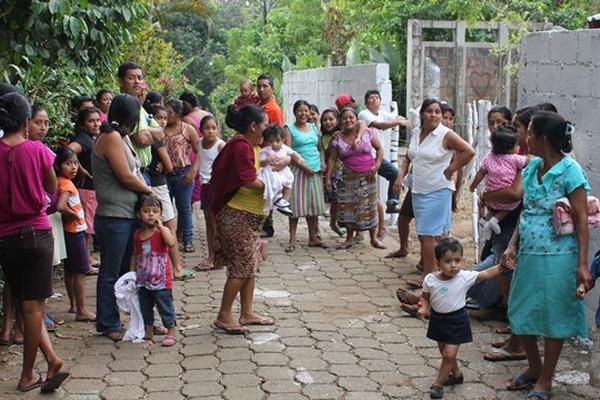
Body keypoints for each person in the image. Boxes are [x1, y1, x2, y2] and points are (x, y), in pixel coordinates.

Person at [503, 111, 593, 399]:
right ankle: (533, 368)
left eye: (529, 133)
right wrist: (512, 244)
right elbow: (525, 212)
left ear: (542, 138)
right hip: (529, 253)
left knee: (555, 317)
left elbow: (580, 218)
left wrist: (582, 264)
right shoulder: (530, 168)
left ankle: (546, 380)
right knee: (520, 310)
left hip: (559, 257)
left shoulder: (571, 171)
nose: (524, 137)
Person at [0, 92, 68, 393]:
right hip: (38, 233)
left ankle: (52, 360)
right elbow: (52, 189)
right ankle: (28, 374)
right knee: (33, 307)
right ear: (27, 121)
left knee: (27, 305)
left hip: (5, 237)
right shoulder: (38, 150)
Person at [417, 238, 512, 399]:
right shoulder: (430, 279)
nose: (453, 265)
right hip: (438, 320)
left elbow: (486, 273)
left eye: (457, 260)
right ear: (438, 262)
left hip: (457, 321)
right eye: (448, 261)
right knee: (444, 352)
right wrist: (424, 307)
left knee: (449, 355)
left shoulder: (464, 277)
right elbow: (425, 296)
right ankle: (457, 374)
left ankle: (438, 385)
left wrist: (501, 267)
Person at [207, 104, 273, 334]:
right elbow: (247, 180)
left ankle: (246, 312)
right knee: (241, 266)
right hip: (235, 216)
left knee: (250, 264)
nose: (267, 128)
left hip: (248, 217)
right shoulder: (241, 147)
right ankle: (224, 314)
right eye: (264, 124)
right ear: (253, 126)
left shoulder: (249, 146)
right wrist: (272, 186)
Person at [394, 98, 475, 288]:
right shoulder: (416, 132)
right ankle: (439, 270)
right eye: (430, 111)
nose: (434, 115)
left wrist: (452, 168)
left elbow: (469, 152)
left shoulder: (445, 134)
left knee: (428, 233)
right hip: (419, 189)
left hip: (438, 190)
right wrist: (400, 176)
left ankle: (428, 274)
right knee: (425, 233)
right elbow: (409, 156)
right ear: (422, 114)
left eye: (437, 112)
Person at [92, 94, 154, 342]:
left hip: (127, 214)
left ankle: (136, 320)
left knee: (125, 270)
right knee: (111, 271)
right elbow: (125, 176)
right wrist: (150, 192)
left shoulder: (122, 137)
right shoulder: (111, 138)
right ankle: (107, 322)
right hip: (114, 216)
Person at [327, 107, 385, 249]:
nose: (348, 120)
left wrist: (377, 165)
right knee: (348, 207)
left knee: (369, 206)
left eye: (351, 117)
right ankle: (349, 239)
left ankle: (374, 238)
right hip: (347, 177)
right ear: (340, 121)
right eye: (345, 118)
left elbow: (379, 149)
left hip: (368, 175)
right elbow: (332, 159)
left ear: (356, 119)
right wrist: (328, 177)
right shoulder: (337, 138)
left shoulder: (367, 133)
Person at [145, 105, 188, 281]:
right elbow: (169, 166)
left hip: (148, 182)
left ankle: (159, 268)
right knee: (170, 227)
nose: (162, 121)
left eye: (164, 118)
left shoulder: (145, 136)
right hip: (158, 184)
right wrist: (167, 163)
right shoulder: (157, 139)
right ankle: (177, 268)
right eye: (159, 118)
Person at [54, 146, 96, 322]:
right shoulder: (66, 185)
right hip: (75, 231)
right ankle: (81, 310)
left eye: (75, 163)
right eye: (68, 163)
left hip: (68, 232)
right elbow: (61, 206)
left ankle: (73, 305)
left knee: (70, 270)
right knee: (80, 271)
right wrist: (75, 215)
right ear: (58, 166)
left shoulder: (60, 181)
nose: (73, 167)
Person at [130, 195, 177, 347]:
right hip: (143, 279)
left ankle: (171, 330)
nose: (151, 214)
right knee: (145, 306)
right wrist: (132, 274)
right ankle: (148, 330)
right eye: (146, 211)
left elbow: (171, 243)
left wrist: (162, 227)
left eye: (155, 211)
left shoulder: (161, 232)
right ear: (139, 214)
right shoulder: (137, 235)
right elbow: (135, 254)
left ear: (160, 214)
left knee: (165, 305)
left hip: (162, 279)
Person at [358, 89, 412, 214]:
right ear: (366, 102)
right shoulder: (364, 114)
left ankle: (392, 202)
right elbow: (380, 125)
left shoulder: (382, 113)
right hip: (366, 156)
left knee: (394, 174)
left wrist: (401, 119)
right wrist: (399, 122)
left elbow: (399, 117)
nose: (375, 99)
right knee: (366, 187)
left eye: (377, 97)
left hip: (377, 156)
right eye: (371, 97)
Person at [284, 100, 328, 251]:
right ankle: (292, 240)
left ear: (310, 113)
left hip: (315, 171)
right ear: (295, 112)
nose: (303, 113)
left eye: (306, 111)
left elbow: (320, 147)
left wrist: (322, 163)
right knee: (295, 207)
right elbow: (288, 152)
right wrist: (304, 166)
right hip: (298, 171)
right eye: (300, 111)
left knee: (312, 206)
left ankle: (313, 238)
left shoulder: (313, 128)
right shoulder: (289, 129)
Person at [469, 126, 528, 239]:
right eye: (517, 145)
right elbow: (530, 161)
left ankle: (486, 218)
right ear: (510, 148)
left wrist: (473, 185)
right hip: (506, 198)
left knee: (488, 204)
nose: (518, 147)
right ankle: (494, 220)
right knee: (507, 208)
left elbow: (480, 173)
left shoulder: (488, 158)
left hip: (491, 196)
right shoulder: (515, 158)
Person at [163, 98, 200, 253]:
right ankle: (166, 240)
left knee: (184, 208)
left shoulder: (188, 129)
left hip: (183, 173)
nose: (166, 115)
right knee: (165, 209)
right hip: (164, 175)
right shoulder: (160, 129)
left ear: (178, 114)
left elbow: (199, 151)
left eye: (169, 112)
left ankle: (188, 240)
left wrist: (193, 172)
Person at [117, 62, 162, 185]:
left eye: (139, 78)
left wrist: (145, 130)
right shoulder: (123, 106)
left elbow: (161, 133)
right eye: (131, 78)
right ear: (121, 81)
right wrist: (149, 132)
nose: (137, 81)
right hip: (132, 172)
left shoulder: (139, 107)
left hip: (144, 172)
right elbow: (142, 139)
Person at [68, 107, 102, 270]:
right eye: (91, 121)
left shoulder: (91, 138)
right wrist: (79, 169)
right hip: (86, 190)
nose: (96, 123)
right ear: (82, 125)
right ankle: (85, 263)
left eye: (97, 120)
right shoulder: (83, 140)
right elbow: (69, 150)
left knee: (88, 226)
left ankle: (87, 258)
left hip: (91, 189)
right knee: (86, 228)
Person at [195, 115, 225, 271]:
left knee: (216, 222)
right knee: (208, 222)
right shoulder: (199, 143)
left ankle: (215, 257)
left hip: (216, 187)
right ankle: (212, 256)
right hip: (205, 186)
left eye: (214, 128)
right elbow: (200, 160)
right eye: (207, 128)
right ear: (201, 130)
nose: (211, 131)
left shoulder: (220, 145)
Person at [257, 73, 284, 238]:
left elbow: (278, 133)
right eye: (259, 86)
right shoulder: (261, 105)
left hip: (268, 153)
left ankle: (267, 226)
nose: (261, 89)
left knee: (266, 190)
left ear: (272, 88)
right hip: (261, 153)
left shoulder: (273, 109)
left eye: (265, 86)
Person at [259, 124, 306, 216]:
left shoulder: (284, 148)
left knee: (289, 184)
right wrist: (267, 160)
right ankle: (277, 199)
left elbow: (293, 153)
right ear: (265, 142)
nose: (274, 144)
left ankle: (284, 202)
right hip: (272, 172)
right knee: (276, 183)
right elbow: (261, 163)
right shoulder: (266, 151)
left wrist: (300, 159)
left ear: (283, 140)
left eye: (277, 141)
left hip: (284, 171)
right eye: (270, 141)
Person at [320, 108, 345, 237]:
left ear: (337, 120)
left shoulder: (345, 133)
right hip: (332, 172)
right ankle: (333, 222)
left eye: (331, 119)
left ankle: (341, 222)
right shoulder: (323, 137)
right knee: (334, 200)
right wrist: (332, 141)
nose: (328, 122)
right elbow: (328, 154)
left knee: (343, 199)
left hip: (345, 171)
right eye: (325, 120)